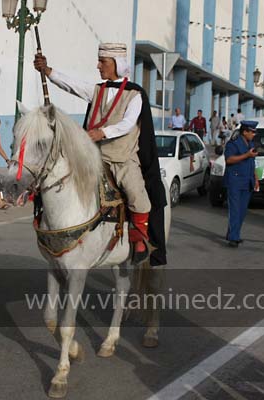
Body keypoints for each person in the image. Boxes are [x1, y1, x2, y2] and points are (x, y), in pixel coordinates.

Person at [33, 42, 168, 266]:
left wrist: (102, 132)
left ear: (116, 64)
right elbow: (72, 85)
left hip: (121, 159)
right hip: (93, 158)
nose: (98, 66)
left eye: (102, 62)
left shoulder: (135, 95)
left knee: (138, 196)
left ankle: (140, 239)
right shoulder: (98, 90)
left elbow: (127, 124)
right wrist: (48, 70)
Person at [223, 121, 259, 248]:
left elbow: (252, 162)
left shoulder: (251, 144)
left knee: (242, 211)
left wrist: (255, 177)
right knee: (235, 210)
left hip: (247, 181)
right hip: (235, 181)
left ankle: (232, 233)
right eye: (252, 132)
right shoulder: (233, 144)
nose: (254, 134)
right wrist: (246, 155)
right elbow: (229, 159)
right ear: (245, 132)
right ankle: (234, 238)